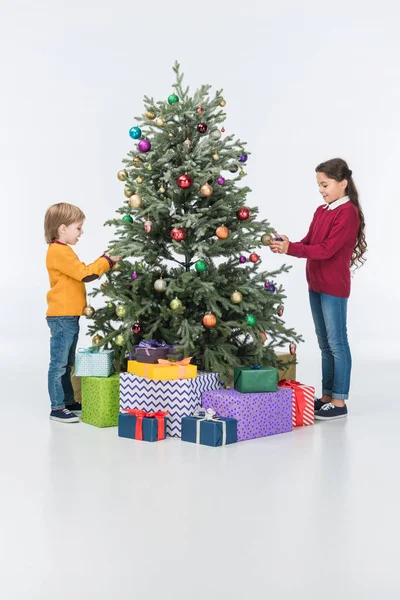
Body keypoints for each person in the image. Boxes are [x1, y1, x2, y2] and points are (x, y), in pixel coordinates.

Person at [270, 158, 367, 420]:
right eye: (318, 185)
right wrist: (287, 244)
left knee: (337, 343)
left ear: (343, 183)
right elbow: (309, 243)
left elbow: (326, 251)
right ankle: (326, 396)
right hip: (315, 284)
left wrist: (293, 249)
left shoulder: (347, 214)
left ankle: (339, 401)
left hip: (334, 287)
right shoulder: (321, 211)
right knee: (325, 345)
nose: (321, 190)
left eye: (325, 184)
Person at [44, 203, 121, 423]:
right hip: (62, 317)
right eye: (78, 228)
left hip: (69, 316)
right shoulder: (58, 251)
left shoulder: (63, 250)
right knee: (58, 363)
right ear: (62, 229)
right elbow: (84, 274)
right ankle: (57, 407)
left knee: (67, 362)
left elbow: (82, 272)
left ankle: (68, 401)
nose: (81, 232)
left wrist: (104, 260)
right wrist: (106, 260)